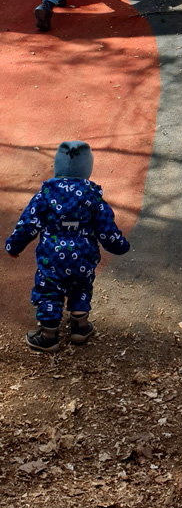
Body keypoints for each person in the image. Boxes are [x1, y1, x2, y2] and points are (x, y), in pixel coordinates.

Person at [5, 140, 130, 353]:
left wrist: (13, 246)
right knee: (81, 287)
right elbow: (106, 229)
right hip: (83, 257)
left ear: (58, 167)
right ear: (86, 169)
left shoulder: (44, 196)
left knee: (49, 291)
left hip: (51, 259)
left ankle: (48, 336)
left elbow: (28, 224)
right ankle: (80, 328)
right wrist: (120, 246)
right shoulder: (93, 198)